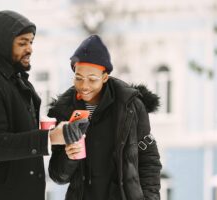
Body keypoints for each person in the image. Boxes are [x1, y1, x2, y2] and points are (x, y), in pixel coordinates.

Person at [0, 10, 88, 200]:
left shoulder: (15, 79)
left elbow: (19, 130)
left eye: (30, 42)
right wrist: (49, 137)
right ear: (2, 43)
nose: (29, 49)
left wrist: (62, 131)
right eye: (22, 43)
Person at [48, 35, 162, 200]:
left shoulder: (130, 107)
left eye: (92, 79)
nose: (84, 86)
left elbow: (149, 160)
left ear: (105, 77)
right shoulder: (64, 111)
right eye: (78, 78)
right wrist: (69, 157)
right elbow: (58, 176)